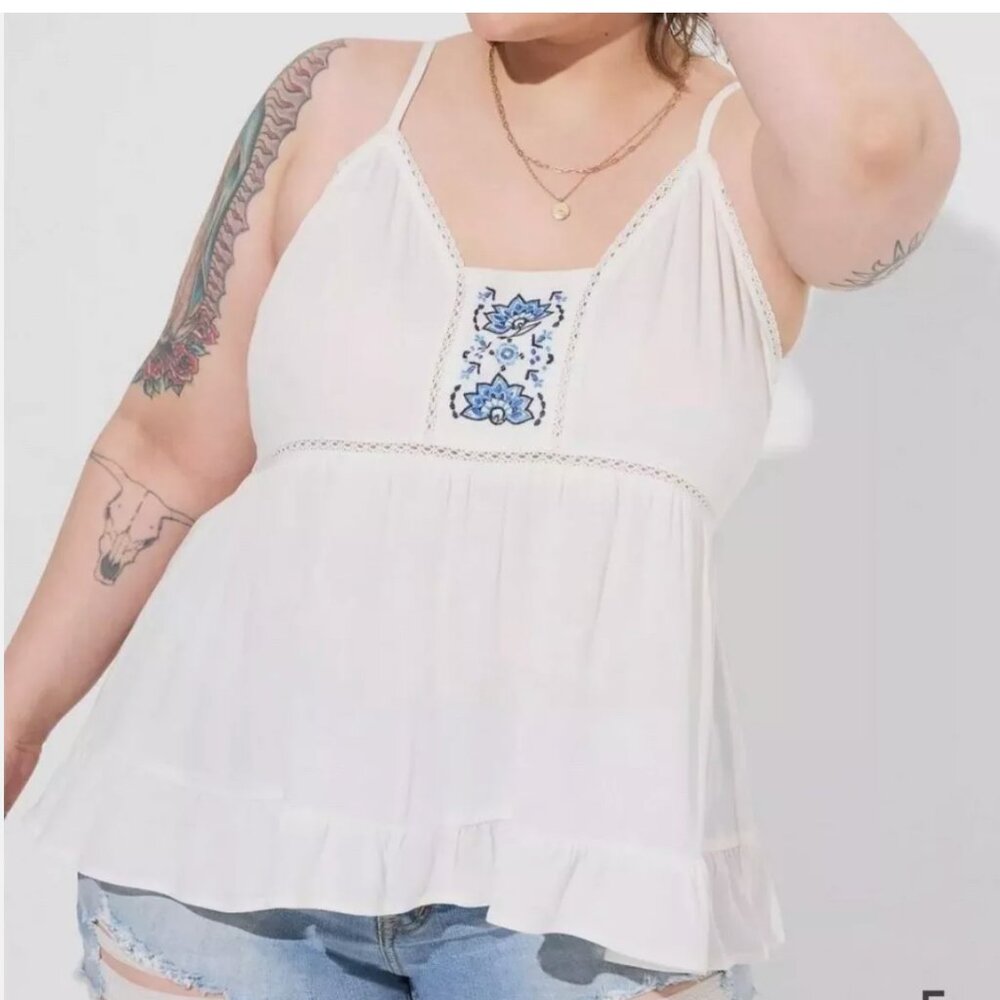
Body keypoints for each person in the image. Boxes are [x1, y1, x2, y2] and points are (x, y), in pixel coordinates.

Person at [5, 14, 959, 1000]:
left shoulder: (762, 157)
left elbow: (879, 144)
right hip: (223, 867)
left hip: (582, 901)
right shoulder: (333, 100)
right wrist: (14, 719)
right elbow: (163, 448)